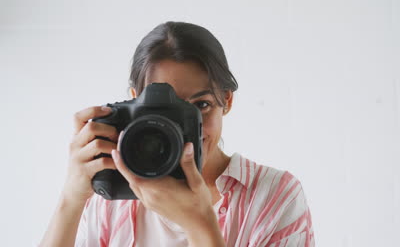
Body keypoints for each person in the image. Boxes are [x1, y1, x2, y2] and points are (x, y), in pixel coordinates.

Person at [40, 21, 315, 247]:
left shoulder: (274, 196)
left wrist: (200, 224)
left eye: (201, 106)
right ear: (135, 102)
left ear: (227, 101)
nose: (184, 132)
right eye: (164, 112)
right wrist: (71, 199)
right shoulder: (111, 198)